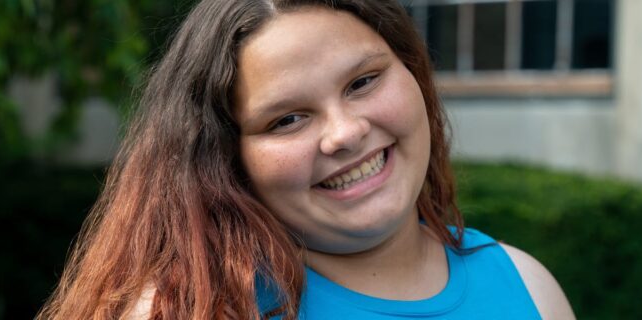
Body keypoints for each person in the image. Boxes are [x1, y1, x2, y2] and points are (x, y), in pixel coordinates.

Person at [36, 0, 575, 319]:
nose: (344, 133)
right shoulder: (191, 310)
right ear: (226, 160)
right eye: (287, 120)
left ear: (413, 72)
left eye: (363, 82)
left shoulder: (528, 289)